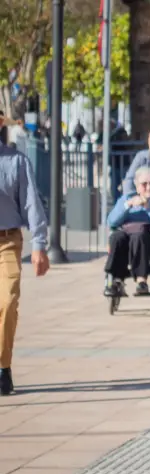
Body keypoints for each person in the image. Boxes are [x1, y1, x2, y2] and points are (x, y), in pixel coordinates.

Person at [0, 142, 49, 396]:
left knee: (8, 302)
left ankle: (2, 365)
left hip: (6, 240)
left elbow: (32, 203)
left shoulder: (16, 161)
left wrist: (39, 245)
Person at [104, 167, 150, 296]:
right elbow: (112, 221)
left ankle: (141, 281)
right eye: (144, 184)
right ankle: (116, 280)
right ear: (137, 186)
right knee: (116, 237)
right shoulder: (127, 198)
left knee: (139, 235)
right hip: (127, 236)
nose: (149, 187)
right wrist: (128, 205)